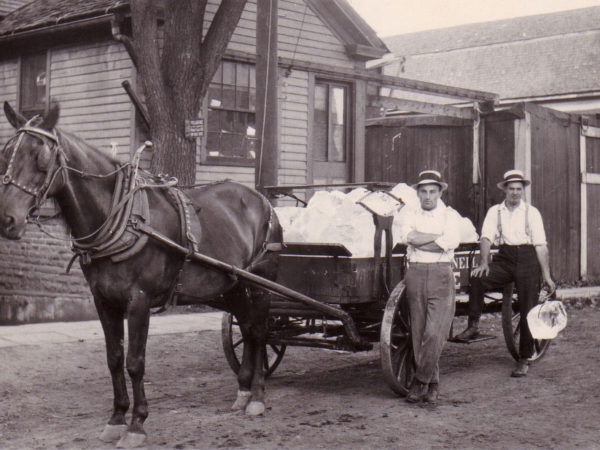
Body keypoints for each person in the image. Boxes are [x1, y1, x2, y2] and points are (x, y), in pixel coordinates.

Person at [454, 169, 555, 377]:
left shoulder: (532, 213)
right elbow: (486, 238)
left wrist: (546, 275)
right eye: (512, 189)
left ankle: (524, 358)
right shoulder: (495, 212)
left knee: (528, 307)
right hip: (506, 257)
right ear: (505, 190)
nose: (515, 193)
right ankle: (473, 325)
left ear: (523, 191)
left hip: (528, 259)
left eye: (519, 189)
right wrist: (484, 262)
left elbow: (541, 246)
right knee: (478, 277)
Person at [398, 170, 461, 403]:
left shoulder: (450, 216)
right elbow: (408, 237)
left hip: (440, 274)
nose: (427, 196)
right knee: (418, 331)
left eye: (432, 192)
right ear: (417, 193)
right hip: (414, 273)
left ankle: (420, 380)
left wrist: (421, 239)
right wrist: (435, 238)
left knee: (435, 332)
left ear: (440, 192)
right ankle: (433, 384)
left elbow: (448, 242)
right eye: (423, 191)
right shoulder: (409, 213)